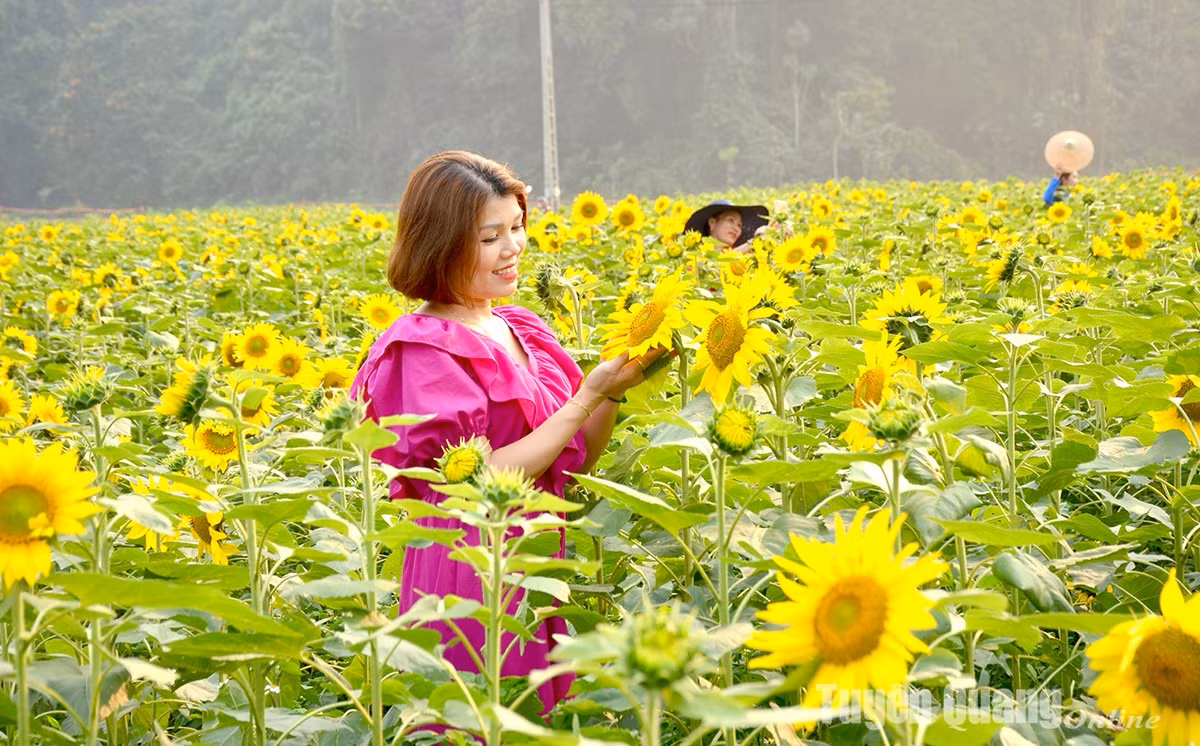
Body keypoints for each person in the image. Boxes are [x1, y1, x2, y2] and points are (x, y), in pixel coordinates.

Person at [350, 151, 663, 714]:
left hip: (539, 560)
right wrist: (584, 398)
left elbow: (574, 458)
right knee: (483, 709)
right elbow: (476, 480)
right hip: (469, 569)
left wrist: (613, 388)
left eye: (517, 227)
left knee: (539, 714)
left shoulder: (519, 326)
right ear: (441, 244)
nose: (514, 247)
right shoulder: (420, 350)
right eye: (490, 237)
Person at [683, 199, 769, 253]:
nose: (736, 228)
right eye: (730, 220)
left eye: (739, 225)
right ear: (712, 222)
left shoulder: (746, 257)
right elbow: (718, 263)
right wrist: (752, 243)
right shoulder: (695, 256)